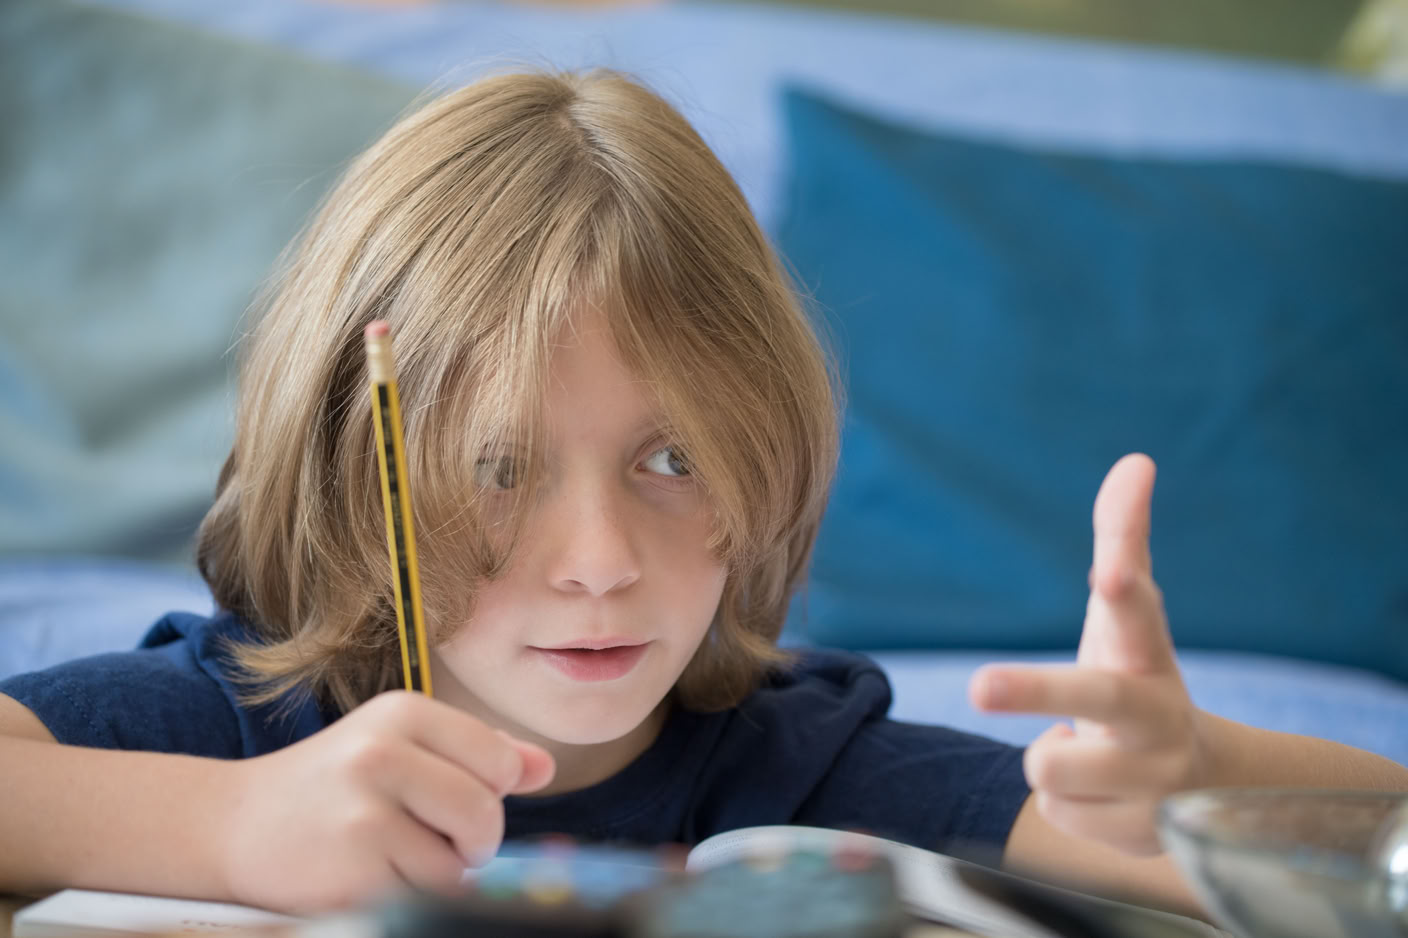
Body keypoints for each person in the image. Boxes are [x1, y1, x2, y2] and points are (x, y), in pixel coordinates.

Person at [1, 67, 1403, 918]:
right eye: (500, 467)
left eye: (671, 460)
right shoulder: (242, 719)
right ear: (355, 475)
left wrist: (1210, 776)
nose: (603, 560)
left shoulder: (806, 764)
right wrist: (233, 829)